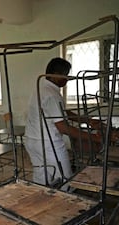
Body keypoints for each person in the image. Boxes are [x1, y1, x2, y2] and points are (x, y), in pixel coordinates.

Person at [24, 57, 102, 190]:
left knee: (43, 177)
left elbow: (62, 112)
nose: (67, 79)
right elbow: (63, 128)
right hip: (48, 144)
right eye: (65, 75)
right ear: (55, 75)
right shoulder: (51, 94)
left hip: (32, 141)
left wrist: (87, 120)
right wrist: (93, 138)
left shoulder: (41, 87)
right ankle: (69, 205)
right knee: (66, 179)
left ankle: (43, 202)